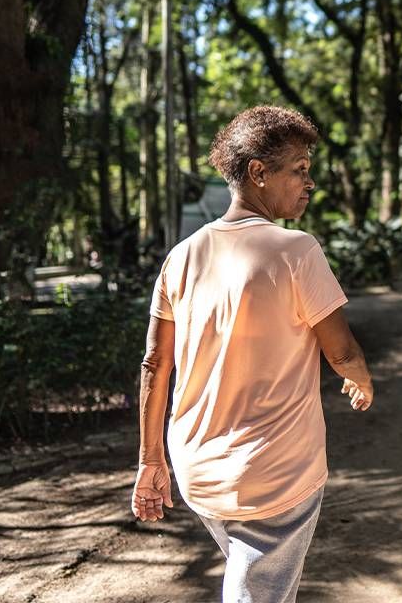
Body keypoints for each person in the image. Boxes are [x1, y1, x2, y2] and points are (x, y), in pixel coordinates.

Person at [131, 105, 374, 603]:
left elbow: (156, 363)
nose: (310, 184)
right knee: (257, 590)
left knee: (251, 572)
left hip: (196, 465)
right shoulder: (296, 251)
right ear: (258, 173)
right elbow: (342, 350)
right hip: (275, 471)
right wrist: (362, 378)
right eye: (300, 171)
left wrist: (150, 460)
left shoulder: (181, 256)